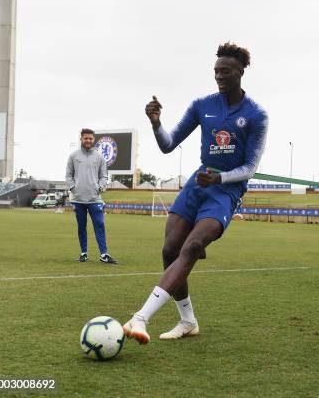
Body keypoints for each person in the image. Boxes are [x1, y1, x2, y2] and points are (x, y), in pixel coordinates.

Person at [123, 42, 268, 344]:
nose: (219, 76)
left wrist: (221, 178)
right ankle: (188, 321)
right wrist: (156, 123)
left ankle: (140, 318)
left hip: (225, 192)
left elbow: (251, 167)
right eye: (216, 71)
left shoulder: (256, 115)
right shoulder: (201, 105)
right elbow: (168, 144)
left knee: (191, 246)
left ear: (241, 72)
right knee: (169, 251)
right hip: (198, 184)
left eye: (225, 71)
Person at [65, 128, 118, 264]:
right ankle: (84, 254)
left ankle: (104, 255)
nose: (88, 140)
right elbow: (68, 175)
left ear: (93, 140)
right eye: (85, 138)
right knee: (81, 227)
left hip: (95, 199)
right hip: (78, 199)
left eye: (90, 138)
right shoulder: (73, 156)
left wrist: (99, 187)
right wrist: (73, 188)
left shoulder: (100, 157)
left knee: (99, 225)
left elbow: (104, 176)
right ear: (81, 139)